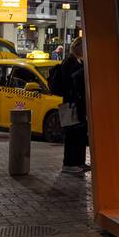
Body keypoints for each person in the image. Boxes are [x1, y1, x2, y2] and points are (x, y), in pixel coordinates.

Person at [51, 37, 87, 176]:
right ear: (79, 48)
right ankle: (69, 164)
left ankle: (79, 162)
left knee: (80, 133)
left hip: (77, 103)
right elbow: (70, 82)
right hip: (71, 104)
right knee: (72, 134)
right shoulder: (69, 62)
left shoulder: (78, 60)